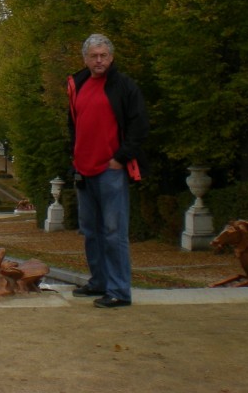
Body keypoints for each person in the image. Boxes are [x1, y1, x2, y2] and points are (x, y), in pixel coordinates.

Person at [67, 33, 148, 308]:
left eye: (103, 55)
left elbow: (139, 126)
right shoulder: (77, 84)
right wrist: (74, 157)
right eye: (94, 56)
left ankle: (119, 291)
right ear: (85, 59)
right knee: (90, 231)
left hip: (110, 168)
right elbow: (74, 125)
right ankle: (99, 282)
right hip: (83, 168)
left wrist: (120, 158)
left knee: (114, 232)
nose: (99, 60)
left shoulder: (124, 86)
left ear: (111, 58)